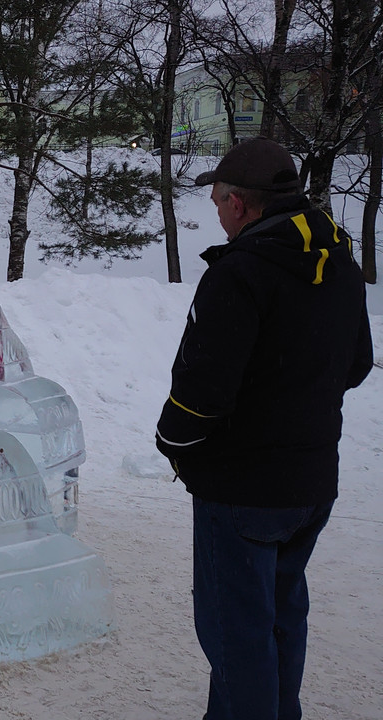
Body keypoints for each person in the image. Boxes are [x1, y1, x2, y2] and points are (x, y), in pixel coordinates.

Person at [154, 138, 373, 720]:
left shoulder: (241, 273)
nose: (216, 212)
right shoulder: (340, 264)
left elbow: (202, 392)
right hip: (309, 483)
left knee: (235, 633)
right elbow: (356, 364)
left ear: (241, 205)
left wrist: (172, 441)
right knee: (278, 616)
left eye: (218, 201)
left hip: (242, 489)